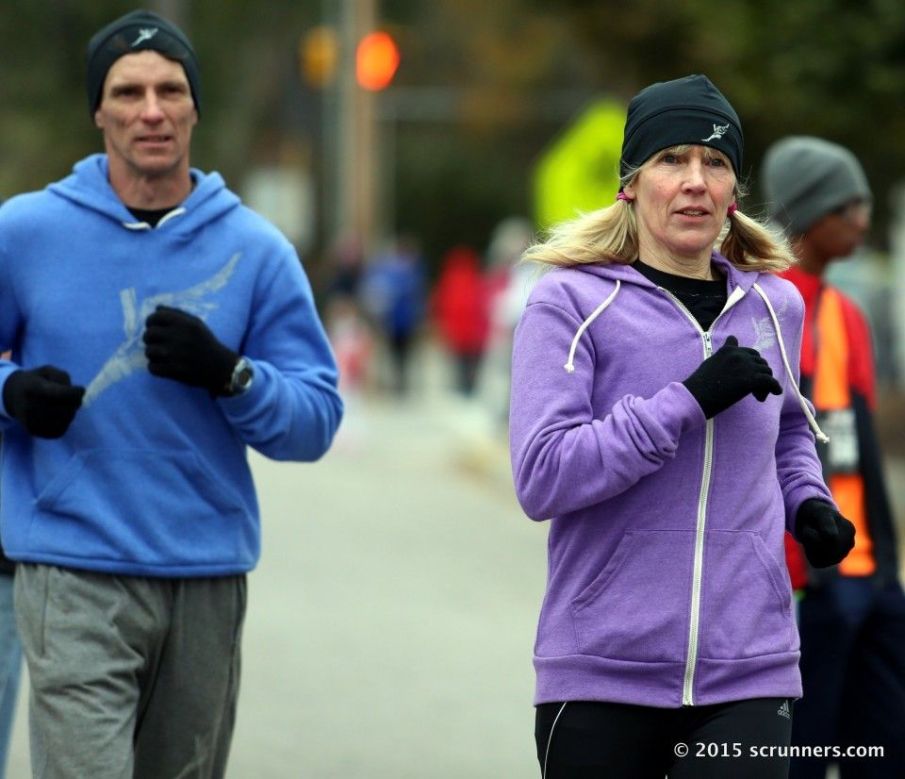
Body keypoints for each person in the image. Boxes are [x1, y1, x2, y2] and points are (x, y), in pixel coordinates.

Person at [0, 10, 342, 778]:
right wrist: (10, 391)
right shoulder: (24, 233)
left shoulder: (255, 249)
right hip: (71, 569)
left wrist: (231, 374)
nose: (150, 110)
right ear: (98, 111)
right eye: (127, 92)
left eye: (170, 90)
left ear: (194, 108)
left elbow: (317, 419)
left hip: (204, 576)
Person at [509, 74, 855, 779]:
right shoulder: (568, 301)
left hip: (749, 665)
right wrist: (687, 401)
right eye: (672, 159)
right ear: (631, 183)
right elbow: (543, 476)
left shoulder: (776, 306)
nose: (695, 179)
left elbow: (790, 430)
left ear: (733, 193)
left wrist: (808, 502)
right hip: (603, 669)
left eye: (715, 162)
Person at [762, 136, 905, 779]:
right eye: (850, 207)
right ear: (811, 215)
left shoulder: (847, 315)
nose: (863, 221)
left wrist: (887, 570)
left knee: (884, 746)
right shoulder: (765, 307)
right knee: (806, 752)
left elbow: (861, 443)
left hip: (872, 577)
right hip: (810, 583)